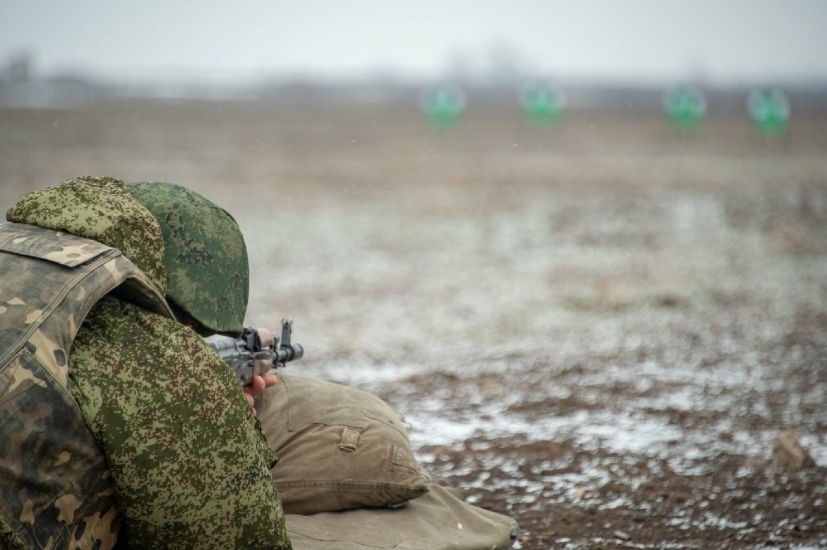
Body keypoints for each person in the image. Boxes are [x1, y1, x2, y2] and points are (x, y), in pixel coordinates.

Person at [0, 177, 290, 549]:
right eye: (190, 331)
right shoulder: (157, 358)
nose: (187, 340)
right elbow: (239, 535)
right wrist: (217, 416)